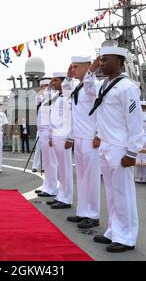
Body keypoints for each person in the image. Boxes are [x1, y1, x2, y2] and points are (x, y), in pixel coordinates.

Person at [90, 46, 144, 253]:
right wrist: (91, 70)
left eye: (106, 60)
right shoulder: (104, 85)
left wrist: (132, 151)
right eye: (101, 60)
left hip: (121, 147)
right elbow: (86, 87)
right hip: (105, 145)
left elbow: (135, 121)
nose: (102, 63)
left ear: (120, 61)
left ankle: (127, 237)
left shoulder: (127, 87)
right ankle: (114, 231)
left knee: (124, 193)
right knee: (111, 193)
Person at [62, 56, 101, 229]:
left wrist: (99, 134)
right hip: (79, 137)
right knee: (82, 178)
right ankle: (82, 211)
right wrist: (68, 77)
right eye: (72, 67)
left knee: (91, 179)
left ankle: (93, 215)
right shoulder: (78, 87)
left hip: (90, 138)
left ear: (87, 67)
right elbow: (64, 93)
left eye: (76, 67)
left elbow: (101, 111)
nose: (73, 69)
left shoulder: (95, 86)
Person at [46, 72, 73, 210]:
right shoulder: (57, 97)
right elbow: (53, 118)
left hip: (64, 136)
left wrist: (70, 137)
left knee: (65, 169)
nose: (52, 83)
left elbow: (72, 118)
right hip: (56, 135)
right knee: (60, 169)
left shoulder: (68, 97)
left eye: (55, 80)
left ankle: (66, 198)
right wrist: (51, 136)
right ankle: (60, 195)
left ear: (62, 82)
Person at [35, 77, 58, 198]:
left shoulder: (51, 101)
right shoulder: (42, 102)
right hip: (42, 132)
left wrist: (50, 135)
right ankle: (46, 186)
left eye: (42, 88)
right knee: (46, 164)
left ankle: (52, 188)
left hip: (49, 133)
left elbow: (53, 119)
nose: (40, 91)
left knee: (51, 163)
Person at [32, 80, 50, 172]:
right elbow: (38, 98)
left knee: (46, 150)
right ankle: (35, 166)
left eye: (47, 86)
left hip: (48, 129)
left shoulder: (50, 100)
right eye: (44, 86)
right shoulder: (39, 100)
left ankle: (44, 167)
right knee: (38, 149)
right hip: (40, 130)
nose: (45, 88)